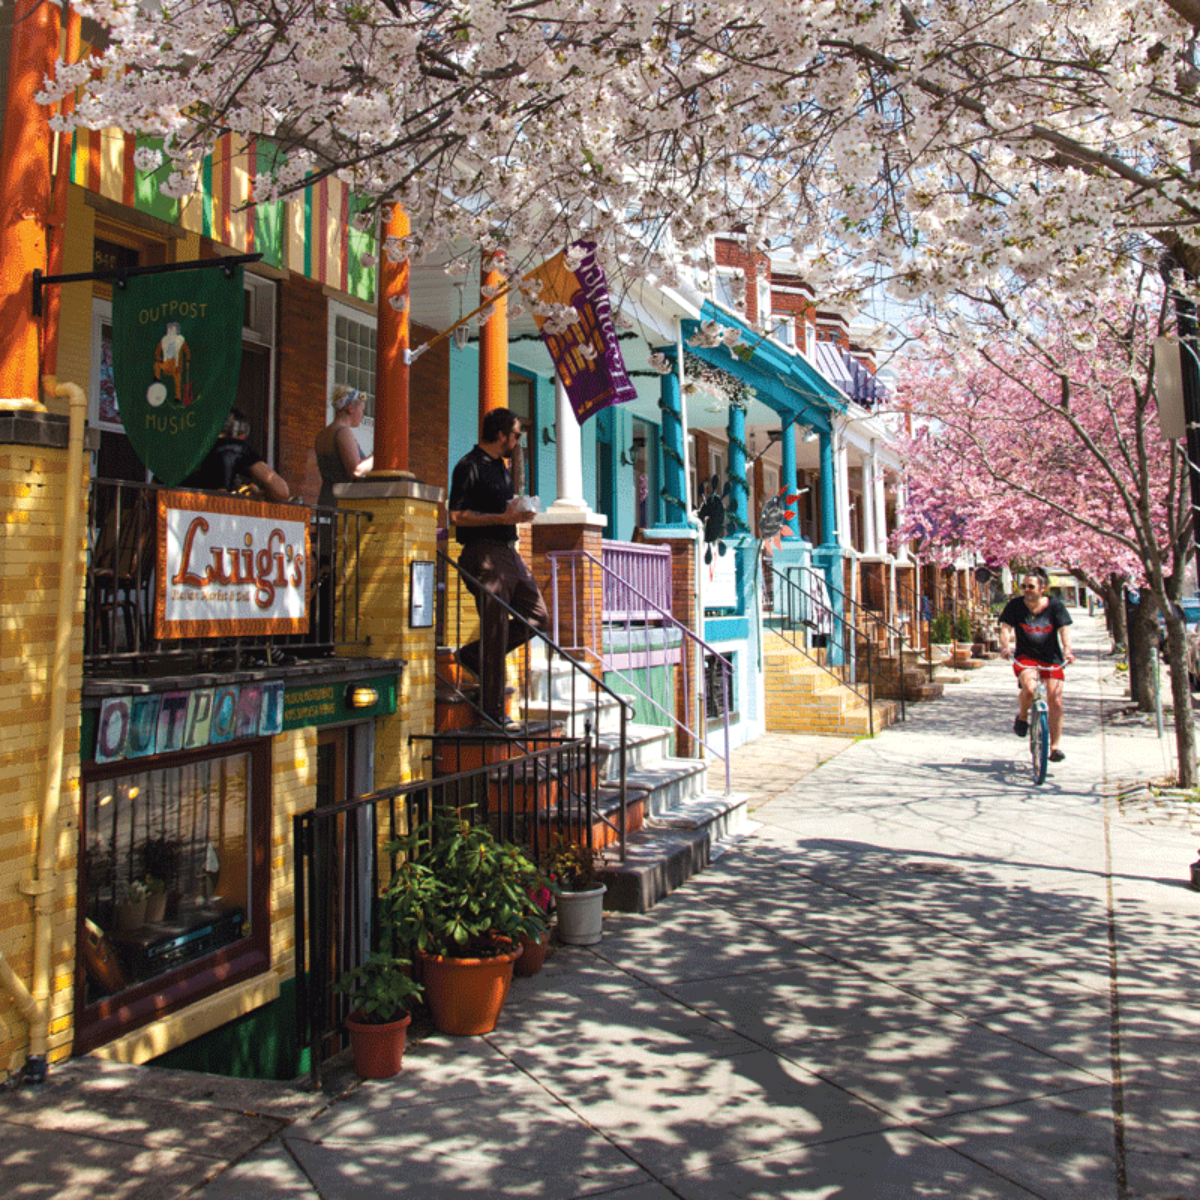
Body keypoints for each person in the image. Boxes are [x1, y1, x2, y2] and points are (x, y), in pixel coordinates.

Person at [448, 407, 549, 725]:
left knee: (537, 617)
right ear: (501, 435)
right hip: (482, 554)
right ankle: (491, 713)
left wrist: (519, 512)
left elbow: (498, 508)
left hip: (508, 552)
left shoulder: (502, 468)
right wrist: (503, 518)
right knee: (494, 630)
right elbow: (456, 515)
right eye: (517, 435)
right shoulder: (468, 466)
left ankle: (472, 656)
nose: (518, 441)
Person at [998, 567, 1075, 762]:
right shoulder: (1015, 606)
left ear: (1043, 588)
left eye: (1031, 586)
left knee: (1055, 700)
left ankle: (1055, 747)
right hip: (1026, 657)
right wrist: (1005, 647)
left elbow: (1064, 630)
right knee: (1030, 689)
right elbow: (1005, 628)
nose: (1026, 590)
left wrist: (1068, 650)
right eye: (1023, 586)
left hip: (1052, 658)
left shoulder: (1055, 606)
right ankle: (1023, 717)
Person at [181, 408, 290, 501]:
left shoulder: (189, 446)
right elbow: (281, 491)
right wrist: (257, 493)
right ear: (242, 435)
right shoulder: (236, 448)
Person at [314, 385, 374, 507]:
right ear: (351, 408)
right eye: (361, 411)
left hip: (326, 500)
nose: (362, 416)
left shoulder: (322, 435)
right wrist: (379, 455)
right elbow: (356, 470)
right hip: (343, 505)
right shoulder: (343, 432)